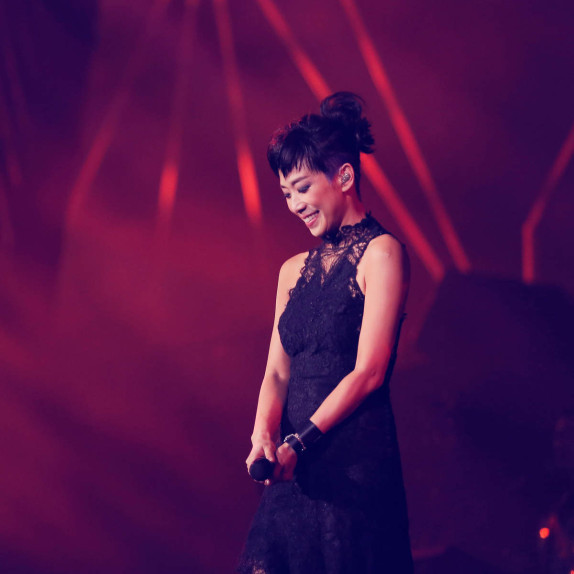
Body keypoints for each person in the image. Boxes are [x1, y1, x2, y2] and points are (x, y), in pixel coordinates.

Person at [238, 92, 413, 573]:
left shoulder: (383, 253)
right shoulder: (291, 270)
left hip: (352, 464)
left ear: (345, 177)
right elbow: (277, 372)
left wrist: (301, 441)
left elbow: (370, 371)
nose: (294, 204)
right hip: (294, 469)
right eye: (285, 194)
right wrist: (263, 434)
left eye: (301, 188)